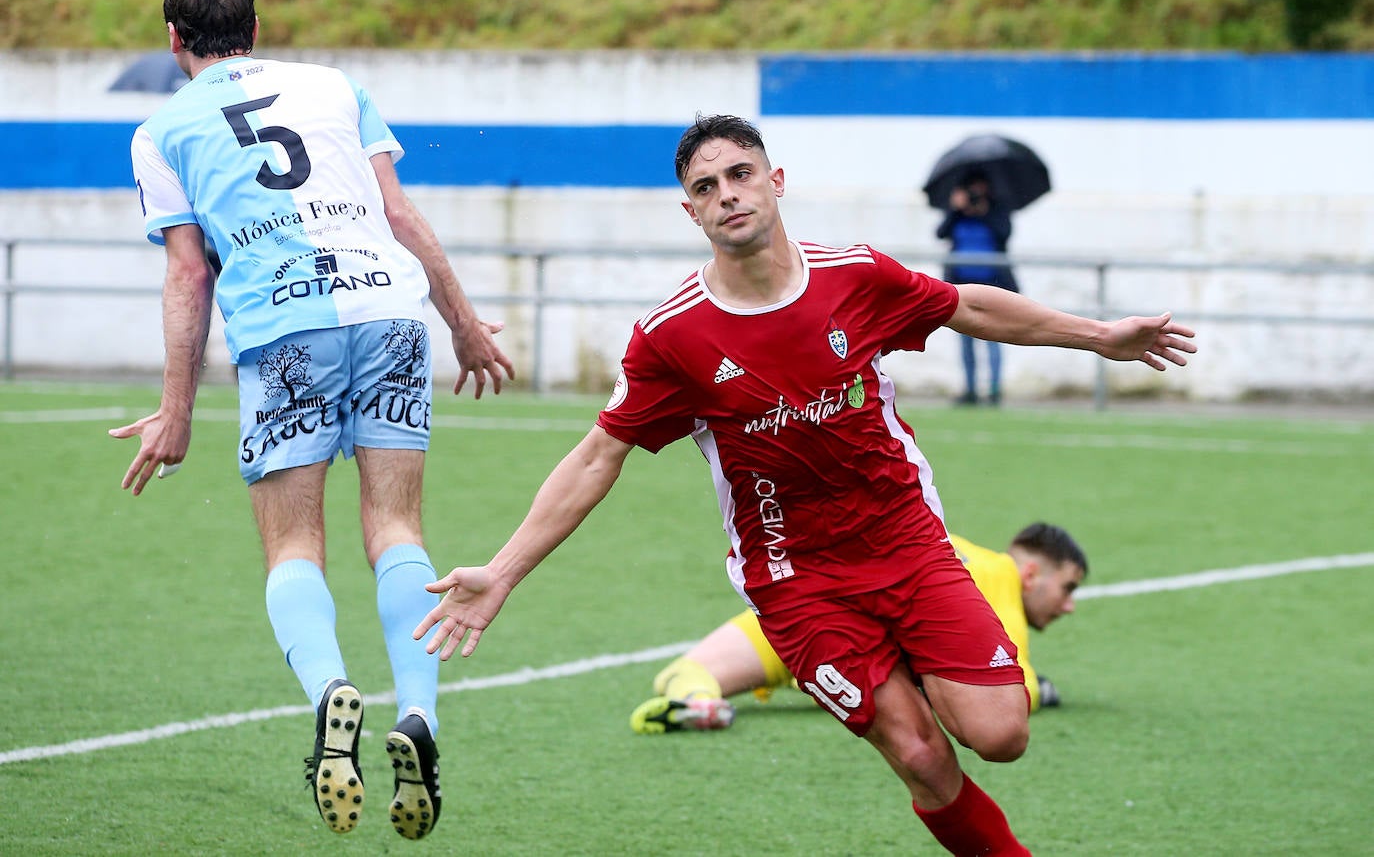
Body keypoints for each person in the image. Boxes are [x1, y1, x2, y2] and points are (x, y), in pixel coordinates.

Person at [413, 115, 1194, 856]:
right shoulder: (672, 337)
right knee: (920, 752)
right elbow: (596, 456)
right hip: (798, 579)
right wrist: (502, 572)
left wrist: (1101, 338)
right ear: (691, 211)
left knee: (1001, 733)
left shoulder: (855, 276)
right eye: (707, 187)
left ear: (776, 180)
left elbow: (966, 306)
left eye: (740, 174)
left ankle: (912, 657)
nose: (728, 194)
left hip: (908, 543)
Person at [110, 0, 514, 840]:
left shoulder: (161, 132)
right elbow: (401, 216)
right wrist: (466, 324)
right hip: (388, 310)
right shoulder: (335, 85)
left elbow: (188, 275)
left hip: (283, 328)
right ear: (256, 28)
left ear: (174, 40)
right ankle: (419, 718)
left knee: (294, 541)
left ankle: (333, 690)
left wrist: (175, 410)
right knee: (396, 530)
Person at [631, 522, 1087, 734]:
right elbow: (1016, 690)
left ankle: (698, 703)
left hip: (806, 607)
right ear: (1030, 574)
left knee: (688, 672)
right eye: (1067, 588)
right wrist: (1041, 689)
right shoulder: (1000, 575)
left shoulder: (949, 543)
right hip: (855, 643)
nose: (1068, 606)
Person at [935, 172, 1019, 406]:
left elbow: (1005, 233)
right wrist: (956, 209)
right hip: (961, 285)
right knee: (965, 340)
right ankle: (970, 388)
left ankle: (994, 390)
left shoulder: (996, 210)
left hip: (993, 284)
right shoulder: (958, 214)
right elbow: (940, 232)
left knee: (995, 338)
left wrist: (983, 212)